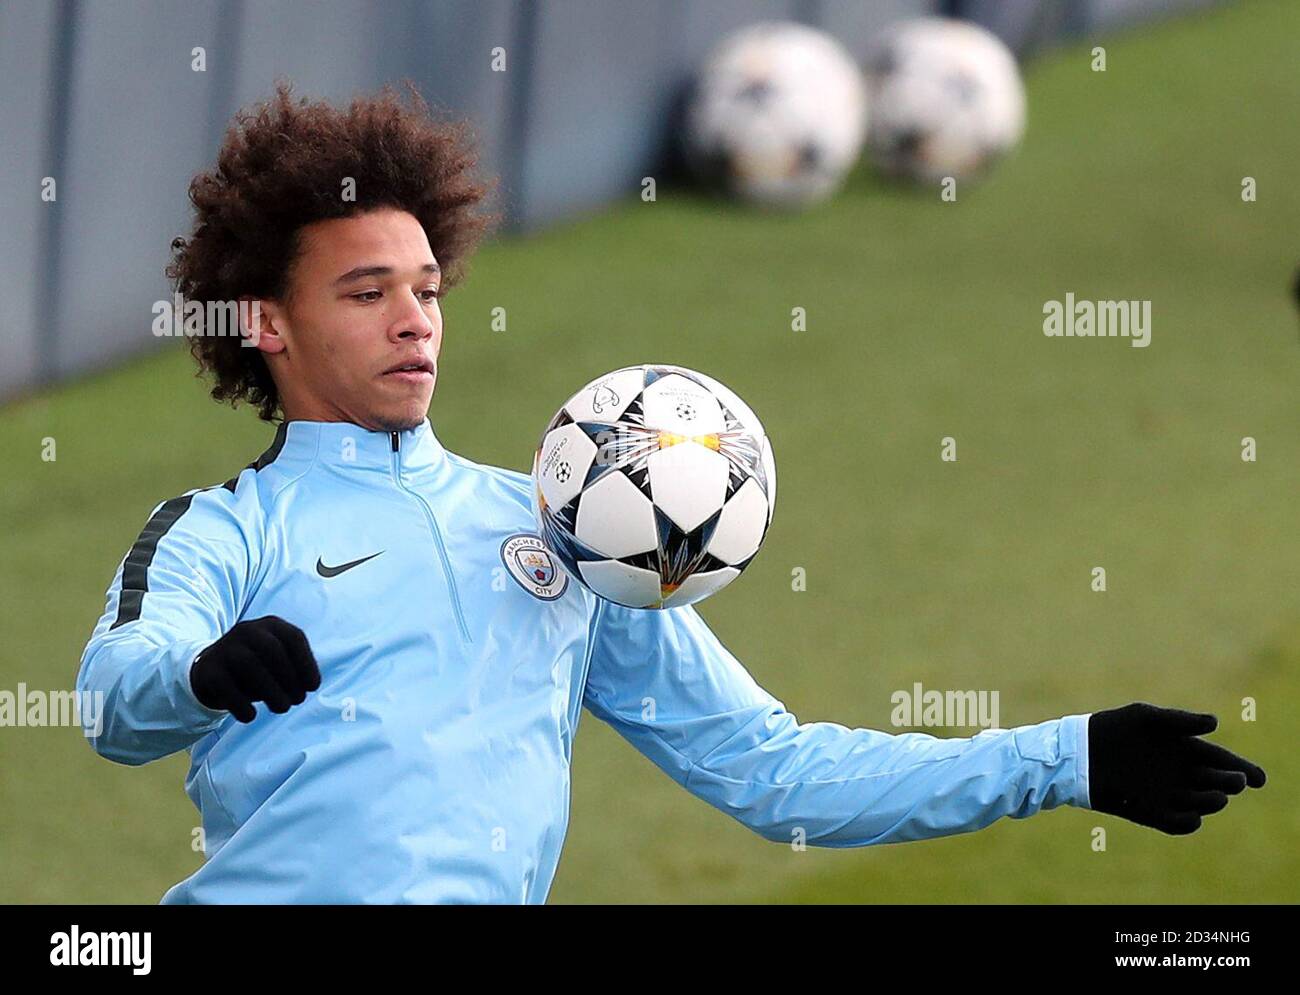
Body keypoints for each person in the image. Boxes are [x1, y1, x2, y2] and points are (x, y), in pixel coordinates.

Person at [77, 83, 1265, 904]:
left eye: (429, 289)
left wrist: (1068, 756)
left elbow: (773, 769)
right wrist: (200, 674)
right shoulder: (223, 528)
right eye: (367, 291)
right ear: (269, 323)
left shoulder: (568, 532)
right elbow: (114, 700)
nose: (413, 320)